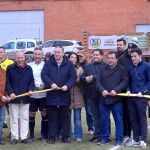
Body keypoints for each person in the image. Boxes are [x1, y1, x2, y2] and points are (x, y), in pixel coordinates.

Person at [41, 46, 77, 144]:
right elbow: (44, 75)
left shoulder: (69, 64)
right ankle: (52, 137)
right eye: (55, 52)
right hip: (52, 95)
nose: (56, 54)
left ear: (62, 53)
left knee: (65, 117)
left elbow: (73, 77)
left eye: (58, 52)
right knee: (52, 117)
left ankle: (65, 137)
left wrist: (67, 85)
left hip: (64, 94)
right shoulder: (48, 64)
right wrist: (51, 83)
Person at [97, 51, 128, 146]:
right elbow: (98, 82)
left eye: (112, 58)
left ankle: (119, 139)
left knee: (118, 120)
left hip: (116, 100)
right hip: (104, 99)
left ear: (116, 59)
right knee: (104, 120)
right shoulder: (103, 69)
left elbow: (125, 81)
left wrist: (116, 90)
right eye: (109, 58)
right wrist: (102, 90)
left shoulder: (122, 69)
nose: (110, 60)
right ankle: (104, 138)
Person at [6, 51, 34, 144]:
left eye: (22, 58)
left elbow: (31, 82)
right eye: (18, 58)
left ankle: (24, 137)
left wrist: (30, 90)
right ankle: (14, 137)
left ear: (24, 58)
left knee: (25, 118)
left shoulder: (29, 68)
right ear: (15, 58)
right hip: (14, 98)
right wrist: (11, 93)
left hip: (25, 98)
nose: (20, 60)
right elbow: (8, 82)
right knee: (14, 119)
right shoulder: (10, 68)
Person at [125, 48, 150, 149]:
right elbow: (128, 82)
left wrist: (143, 91)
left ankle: (143, 140)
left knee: (142, 119)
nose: (133, 58)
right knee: (133, 119)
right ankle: (135, 139)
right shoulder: (129, 68)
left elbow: (149, 81)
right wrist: (128, 90)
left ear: (140, 56)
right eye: (131, 56)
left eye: (135, 56)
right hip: (131, 98)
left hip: (142, 97)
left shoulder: (147, 66)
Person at [81, 49, 106, 142]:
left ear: (102, 55)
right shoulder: (88, 66)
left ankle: (105, 135)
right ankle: (96, 135)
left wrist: (93, 77)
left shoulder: (106, 66)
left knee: (104, 116)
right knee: (95, 116)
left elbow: (107, 78)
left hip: (103, 95)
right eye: (93, 55)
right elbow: (82, 78)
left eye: (97, 55)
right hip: (91, 95)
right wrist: (86, 78)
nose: (95, 56)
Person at [118, 42, 138, 144]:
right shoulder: (121, 59)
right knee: (126, 114)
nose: (130, 50)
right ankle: (126, 134)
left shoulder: (139, 58)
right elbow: (122, 75)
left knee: (137, 114)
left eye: (133, 48)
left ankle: (137, 135)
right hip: (125, 91)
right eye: (129, 48)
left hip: (138, 92)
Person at [28, 47, 48, 143]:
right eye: (35, 54)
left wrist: (44, 85)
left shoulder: (46, 65)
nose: (37, 56)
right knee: (31, 114)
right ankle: (31, 136)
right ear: (33, 55)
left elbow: (48, 78)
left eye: (39, 54)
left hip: (43, 95)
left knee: (44, 114)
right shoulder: (29, 65)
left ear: (42, 55)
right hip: (32, 95)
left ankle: (44, 135)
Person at [68, 52, 84, 142]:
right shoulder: (65, 67)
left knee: (77, 118)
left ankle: (78, 136)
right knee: (68, 117)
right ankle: (69, 135)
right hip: (67, 95)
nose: (73, 58)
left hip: (77, 95)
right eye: (71, 57)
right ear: (68, 58)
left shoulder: (80, 69)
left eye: (75, 57)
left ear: (77, 59)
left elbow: (76, 79)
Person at [78, 53, 94, 135]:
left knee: (89, 111)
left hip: (87, 91)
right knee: (77, 112)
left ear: (85, 57)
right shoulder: (76, 65)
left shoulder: (88, 65)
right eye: (78, 56)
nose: (80, 57)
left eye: (81, 56)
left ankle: (91, 128)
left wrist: (86, 78)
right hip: (78, 92)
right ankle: (78, 129)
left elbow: (87, 77)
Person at [0, 46, 14, 129]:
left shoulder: (10, 63)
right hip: (1, 94)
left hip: (8, 93)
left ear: (5, 53)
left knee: (11, 113)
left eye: (1, 52)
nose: (0, 54)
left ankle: (12, 132)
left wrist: (9, 92)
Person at [0, 66, 10, 145]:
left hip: (1, 102)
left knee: (1, 120)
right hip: (1, 98)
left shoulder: (3, 71)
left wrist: (6, 95)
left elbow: (5, 86)